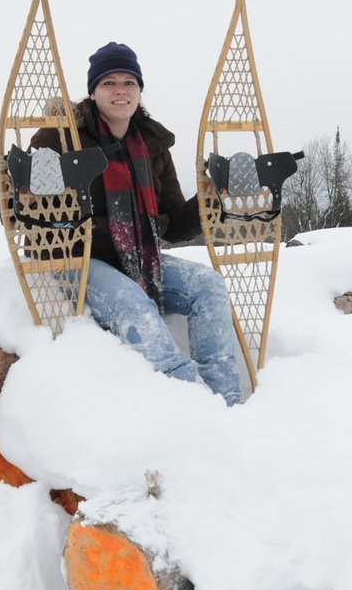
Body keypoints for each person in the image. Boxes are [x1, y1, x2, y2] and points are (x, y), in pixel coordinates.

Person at [28, 42, 243, 406]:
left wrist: (211, 202)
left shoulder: (152, 145)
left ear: (139, 90)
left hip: (137, 258)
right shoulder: (60, 135)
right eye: (109, 82)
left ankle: (227, 399)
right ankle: (190, 402)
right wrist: (33, 196)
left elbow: (172, 224)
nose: (120, 91)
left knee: (207, 285)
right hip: (74, 259)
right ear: (93, 91)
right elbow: (15, 207)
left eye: (129, 82)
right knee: (134, 304)